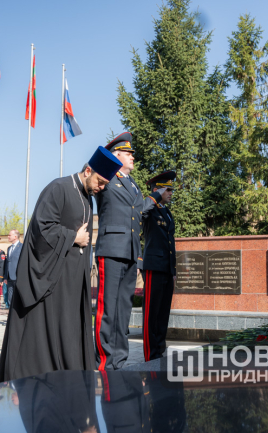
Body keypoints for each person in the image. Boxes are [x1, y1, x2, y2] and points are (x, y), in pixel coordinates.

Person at [0, 146, 122, 381]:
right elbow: (41, 228)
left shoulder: (88, 198)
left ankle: (69, 375)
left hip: (74, 280)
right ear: (88, 171)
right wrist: (73, 237)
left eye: (105, 184)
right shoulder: (59, 188)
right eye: (101, 182)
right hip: (53, 279)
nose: (102, 188)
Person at [94, 132, 165, 370]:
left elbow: (138, 211)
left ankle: (119, 361)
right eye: (127, 153)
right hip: (111, 249)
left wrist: (154, 198)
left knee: (123, 309)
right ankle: (105, 362)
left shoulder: (133, 184)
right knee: (108, 308)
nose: (133, 157)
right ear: (115, 156)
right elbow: (90, 169)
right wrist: (108, 158)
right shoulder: (106, 176)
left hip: (131, 251)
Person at [142, 171, 177, 361]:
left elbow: (170, 243)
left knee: (163, 313)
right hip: (154, 267)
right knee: (152, 313)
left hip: (166, 268)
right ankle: (151, 354)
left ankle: (160, 350)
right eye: (167, 189)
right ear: (157, 190)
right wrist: (155, 195)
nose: (171, 193)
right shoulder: (150, 209)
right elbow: (141, 210)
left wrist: (173, 270)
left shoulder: (167, 212)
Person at [3, 229, 22, 310]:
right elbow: (7, 263)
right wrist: (5, 276)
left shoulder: (22, 247)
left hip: (18, 277)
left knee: (18, 298)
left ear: (15, 236)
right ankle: (11, 315)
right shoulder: (9, 248)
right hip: (9, 278)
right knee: (10, 298)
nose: (8, 237)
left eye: (9, 235)